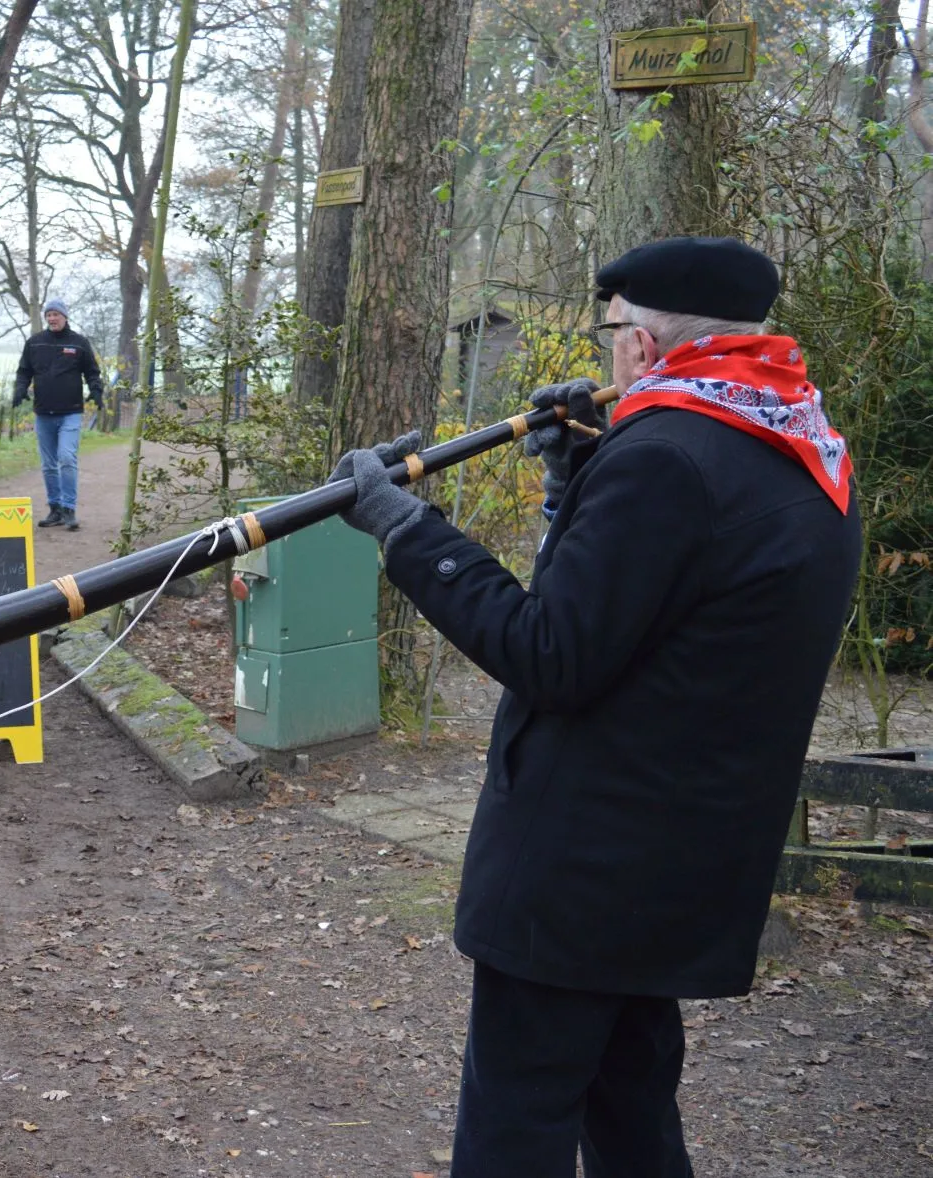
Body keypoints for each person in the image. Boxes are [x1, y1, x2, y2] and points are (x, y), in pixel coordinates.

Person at [328, 236, 861, 1177]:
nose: (608, 352)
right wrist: (576, 479)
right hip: (681, 858)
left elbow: (551, 654)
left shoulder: (665, 455)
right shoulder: (796, 439)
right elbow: (667, 609)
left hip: (586, 869)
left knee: (517, 1125)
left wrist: (408, 530)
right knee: (629, 1110)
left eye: (610, 331)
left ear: (643, 344)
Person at [13, 295, 104, 532]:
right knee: (48, 464)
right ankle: (55, 509)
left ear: (65, 317)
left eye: (56, 314)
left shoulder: (79, 343)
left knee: (66, 457)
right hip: (43, 412)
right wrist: (20, 389)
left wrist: (96, 390)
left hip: (70, 412)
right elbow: (24, 371)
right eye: (49, 315)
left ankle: (69, 509)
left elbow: (92, 372)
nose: (52, 318)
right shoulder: (35, 343)